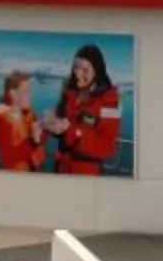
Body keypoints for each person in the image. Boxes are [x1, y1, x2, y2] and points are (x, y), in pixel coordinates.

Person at [49, 43, 123, 176]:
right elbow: (60, 121)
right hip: (61, 168)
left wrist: (75, 131)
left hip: (85, 173)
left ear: (97, 71)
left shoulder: (110, 102)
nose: (78, 74)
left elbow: (107, 148)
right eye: (75, 68)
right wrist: (51, 125)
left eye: (85, 70)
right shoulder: (69, 93)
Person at [0, 71, 44, 172]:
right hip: (17, 177)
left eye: (29, 92)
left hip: (34, 172)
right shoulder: (3, 119)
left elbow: (39, 142)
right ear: (13, 93)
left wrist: (47, 129)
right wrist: (33, 141)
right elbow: (9, 158)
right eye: (26, 92)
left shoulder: (28, 114)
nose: (30, 96)